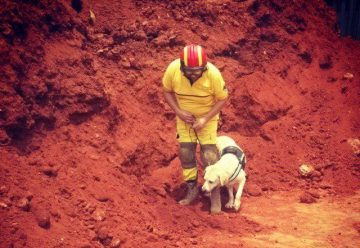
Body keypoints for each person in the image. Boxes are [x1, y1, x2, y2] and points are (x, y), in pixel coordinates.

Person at [162, 44, 228, 213]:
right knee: (185, 152)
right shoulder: (173, 69)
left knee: (209, 154)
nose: (193, 74)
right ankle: (192, 188)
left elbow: (222, 99)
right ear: (182, 66)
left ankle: (215, 196)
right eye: (189, 70)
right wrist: (178, 111)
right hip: (184, 119)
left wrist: (205, 118)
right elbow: (167, 91)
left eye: (197, 70)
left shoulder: (213, 74)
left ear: (204, 67)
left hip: (207, 118)